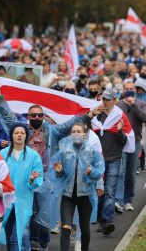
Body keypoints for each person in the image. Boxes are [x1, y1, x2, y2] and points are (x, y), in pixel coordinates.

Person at [0, 78, 103, 250]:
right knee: (25, 214)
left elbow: (71, 124)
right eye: (33, 115)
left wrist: (91, 114)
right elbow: (6, 114)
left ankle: (43, 245)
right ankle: (29, 244)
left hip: (46, 180)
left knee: (43, 215)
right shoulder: (21, 130)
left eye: (39, 115)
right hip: (24, 179)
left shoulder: (53, 131)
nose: (36, 118)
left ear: (44, 117)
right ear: (28, 117)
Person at [51, 122, 104, 251]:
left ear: (85, 135)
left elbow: (100, 171)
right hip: (67, 194)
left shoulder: (92, 152)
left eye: (78, 131)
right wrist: (58, 171)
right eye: (73, 131)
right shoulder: (64, 152)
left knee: (84, 228)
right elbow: (57, 174)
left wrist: (92, 172)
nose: (76, 134)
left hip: (85, 194)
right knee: (65, 227)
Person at [92, 89, 135, 235]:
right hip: (98, 159)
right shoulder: (97, 114)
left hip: (114, 159)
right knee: (100, 191)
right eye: (103, 98)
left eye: (108, 99)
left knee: (110, 191)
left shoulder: (120, 116)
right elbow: (90, 134)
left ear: (114, 100)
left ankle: (106, 222)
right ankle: (100, 219)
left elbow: (125, 141)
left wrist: (120, 131)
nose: (104, 101)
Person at [0, 122, 43, 251]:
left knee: (20, 236)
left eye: (22, 133)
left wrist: (32, 179)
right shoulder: (2, 154)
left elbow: (38, 178)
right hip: (6, 200)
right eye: (16, 133)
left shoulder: (33, 155)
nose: (19, 135)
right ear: (11, 135)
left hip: (24, 200)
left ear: (26, 136)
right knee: (9, 234)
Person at [115, 82, 146, 211]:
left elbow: (144, 118)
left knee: (131, 173)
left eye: (131, 89)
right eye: (126, 89)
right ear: (123, 91)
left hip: (135, 142)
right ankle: (119, 201)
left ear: (135, 91)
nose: (129, 92)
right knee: (121, 172)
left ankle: (128, 200)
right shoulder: (118, 105)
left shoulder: (141, 104)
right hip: (121, 141)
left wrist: (133, 104)